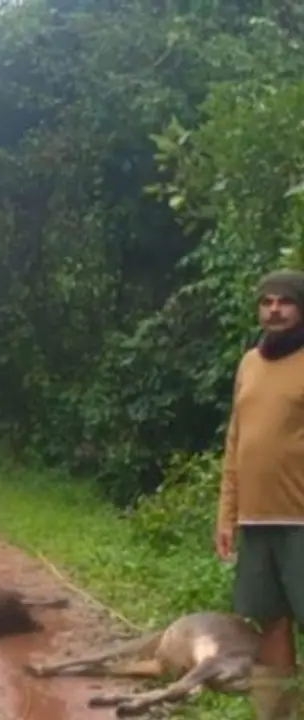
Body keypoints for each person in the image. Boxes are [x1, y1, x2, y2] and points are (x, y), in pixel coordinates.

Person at [217, 268, 304, 719]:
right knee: (271, 622)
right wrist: (226, 514)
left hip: (300, 520)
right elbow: (236, 440)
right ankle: (278, 714)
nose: (275, 309)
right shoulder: (249, 362)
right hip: (256, 519)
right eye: (267, 302)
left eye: (285, 301)